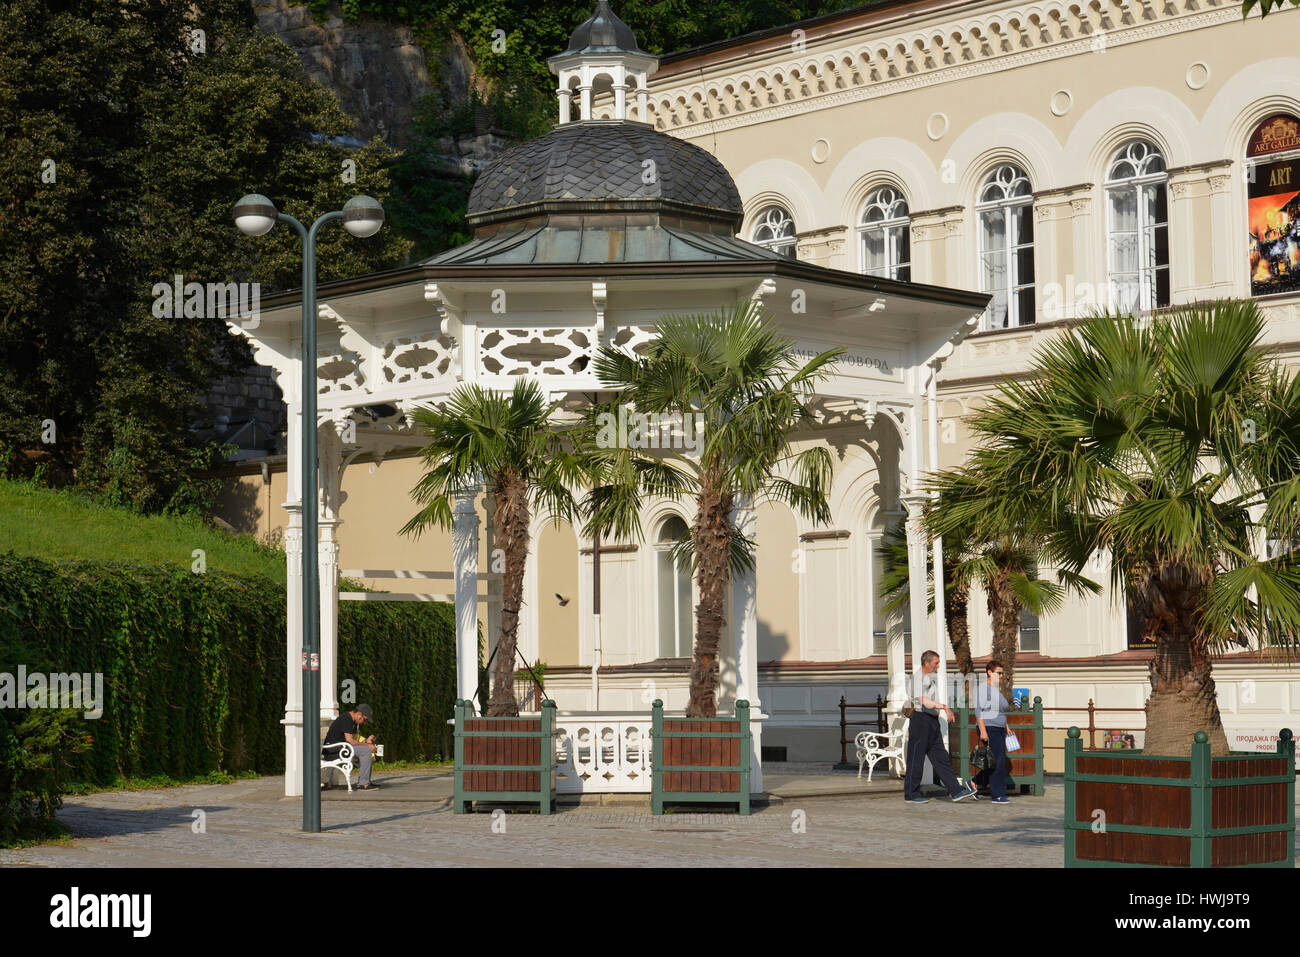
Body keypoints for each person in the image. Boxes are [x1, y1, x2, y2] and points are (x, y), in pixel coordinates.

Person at [904, 650, 978, 804]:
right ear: (927, 662)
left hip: (931, 721)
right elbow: (923, 700)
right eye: (936, 663)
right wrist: (944, 707)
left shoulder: (928, 679)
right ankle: (911, 794)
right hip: (920, 721)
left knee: (941, 758)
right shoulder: (917, 678)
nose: (938, 666)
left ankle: (956, 791)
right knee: (916, 758)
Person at [974, 660, 1015, 805]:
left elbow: (999, 711)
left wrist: (1007, 727)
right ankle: (997, 795)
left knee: (994, 761)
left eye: (1002, 673)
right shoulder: (983, 689)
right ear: (989, 672)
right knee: (998, 762)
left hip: (999, 728)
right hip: (989, 727)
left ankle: (974, 783)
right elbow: (979, 711)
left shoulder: (995, 690)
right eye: (999, 673)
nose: (1001, 676)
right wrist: (983, 731)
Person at [323, 703, 380, 791]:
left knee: (365, 749)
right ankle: (364, 784)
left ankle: (365, 781)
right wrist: (368, 745)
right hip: (334, 751)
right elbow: (350, 741)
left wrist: (366, 741)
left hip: (340, 748)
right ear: (359, 715)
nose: (364, 723)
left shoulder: (349, 719)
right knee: (366, 751)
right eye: (365, 720)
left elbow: (351, 740)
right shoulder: (347, 719)